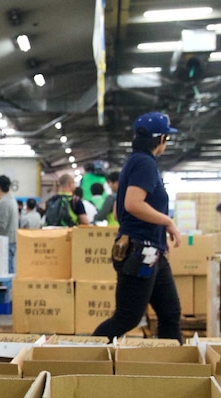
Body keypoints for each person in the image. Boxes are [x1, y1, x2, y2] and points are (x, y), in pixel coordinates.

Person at [92, 112, 182, 343]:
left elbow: (118, 211)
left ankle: (175, 368)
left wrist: (157, 235)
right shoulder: (145, 163)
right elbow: (132, 204)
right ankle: (85, 355)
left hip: (152, 252)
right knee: (127, 317)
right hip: (141, 252)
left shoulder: (137, 162)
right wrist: (167, 221)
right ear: (161, 139)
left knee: (170, 313)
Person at [0, 175, 19, 274]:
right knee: (10, 266)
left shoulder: (4, 203)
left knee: (6, 269)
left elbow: (1, 225)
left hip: (4, 241)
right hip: (12, 239)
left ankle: (9, 289)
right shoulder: (12, 200)